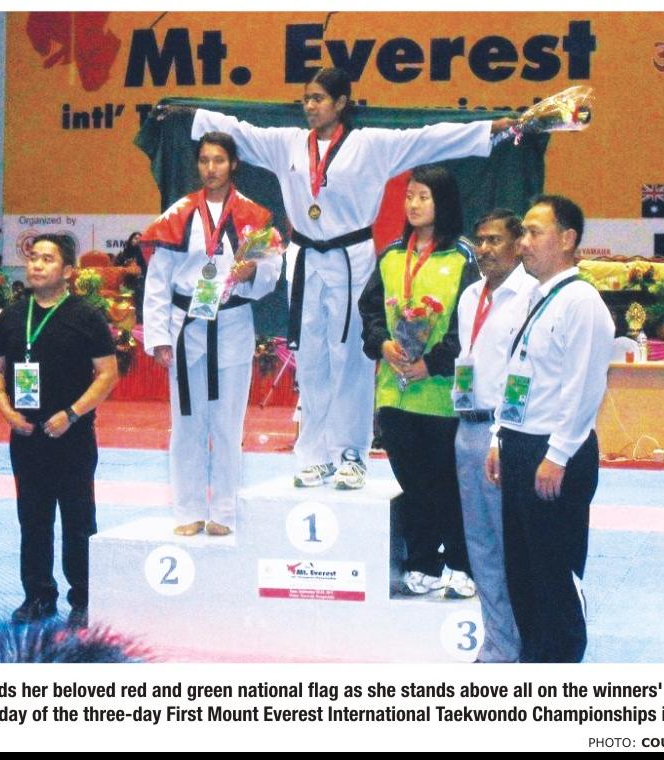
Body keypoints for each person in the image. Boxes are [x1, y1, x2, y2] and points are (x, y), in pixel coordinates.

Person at [185, 67, 514, 489]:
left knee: (352, 358)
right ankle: (313, 454)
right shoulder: (286, 143)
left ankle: (352, 453)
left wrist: (489, 130)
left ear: (341, 103)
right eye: (306, 98)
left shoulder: (370, 145)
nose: (310, 106)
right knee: (310, 358)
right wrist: (190, 115)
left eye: (319, 98)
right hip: (305, 257)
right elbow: (240, 132)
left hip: (350, 256)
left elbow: (427, 137)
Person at [485, 195, 614, 663]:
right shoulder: (536, 297)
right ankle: (535, 659)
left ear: (567, 239)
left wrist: (557, 455)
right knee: (521, 567)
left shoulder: (581, 302)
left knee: (552, 568)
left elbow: (583, 388)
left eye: (534, 232)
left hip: (556, 451)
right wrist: (499, 436)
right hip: (521, 444)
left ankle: (561, 662)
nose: (523, 242)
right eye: (523, 232)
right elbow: (518, 376)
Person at [142, 132, 281, 536]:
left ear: (233, 164)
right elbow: (158, 279)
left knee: (226, 425)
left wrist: (253, 273)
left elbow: (272, 273)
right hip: (185, 325)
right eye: (204, 160)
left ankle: (223, 511)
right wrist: (159, 337)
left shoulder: (253, 216)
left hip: (232, 324)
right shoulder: (179, 214)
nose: (211, 168)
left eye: (219, 160)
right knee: (187, 424)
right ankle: (187, 510)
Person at [359, 165, 479, 599]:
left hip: (442, 395)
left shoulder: (463, 258)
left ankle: (461, 563)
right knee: (413, 484)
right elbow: (370, 311)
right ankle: (423, 561)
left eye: (423, 196)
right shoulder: (391, 255)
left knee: (448, 484)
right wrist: (383, 344)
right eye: (409, 195)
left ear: (442, 202)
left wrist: (432, 363)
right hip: (395, 395)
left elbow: (471, 323)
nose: (413, 204)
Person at [0, 234, 118, 628]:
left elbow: (107, 374)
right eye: (33, 258)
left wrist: (71, 414)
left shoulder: (86, 316)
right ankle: (38, 595)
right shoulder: (12, 315)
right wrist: (7, 412)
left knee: (78, 521)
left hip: (73, 435)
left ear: (68, 271)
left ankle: (84, 598)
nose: (37, 265)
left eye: (47, 259)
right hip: (26, 435)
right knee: (32, 519)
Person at [453, 209, 536, 662]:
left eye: (495, 240)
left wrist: (501, 436)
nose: (484, 249)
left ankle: (529, 639)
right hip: (467, 424)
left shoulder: (529, 296)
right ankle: (499, 644)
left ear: (518, 244)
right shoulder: (470, 296)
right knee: (480, 544)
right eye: (480, 240)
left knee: (512, 544)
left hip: (504, 434)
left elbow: (522, 377)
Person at [114, 231, 148, 323]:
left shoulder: (143, 253)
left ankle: (140, 318)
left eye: (140, 239)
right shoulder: (124, 253)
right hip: (126, 279)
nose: (137, 241)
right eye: (135, 238)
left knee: (140, 286)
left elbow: (144, 269)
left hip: (139, 279)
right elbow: (118, 268)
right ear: (131, 240)